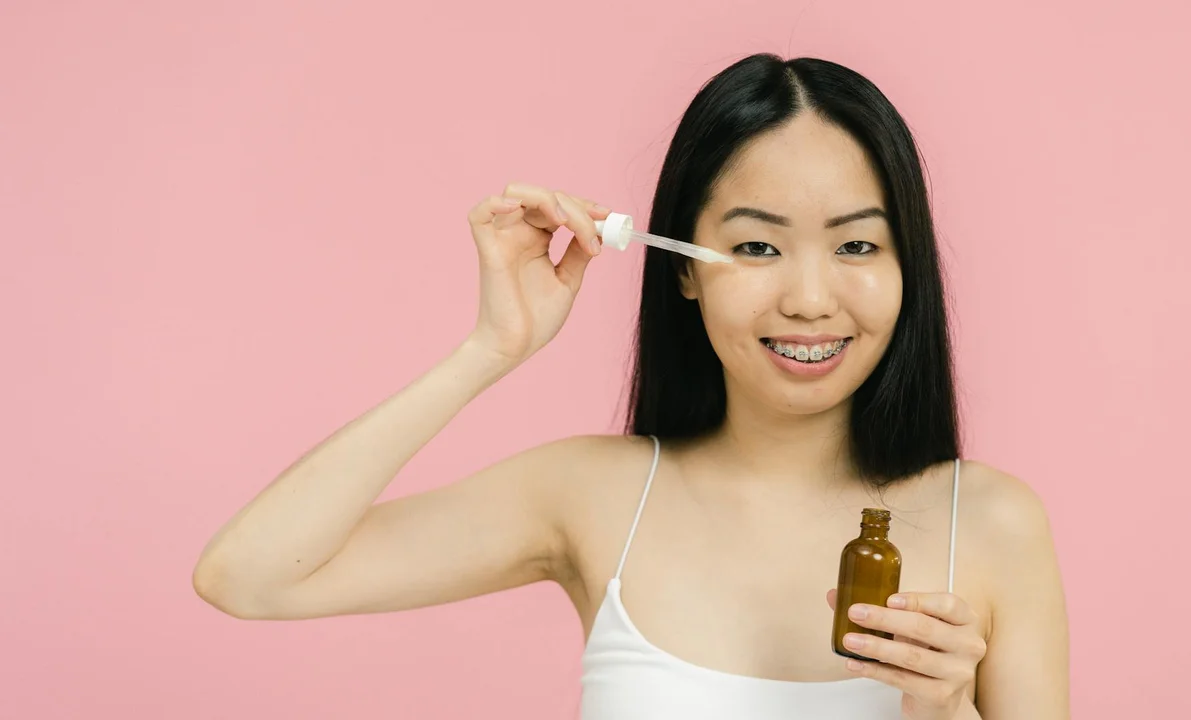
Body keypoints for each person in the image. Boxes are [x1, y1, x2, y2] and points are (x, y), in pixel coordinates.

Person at [192, 53, 1070, 719]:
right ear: (683, 270)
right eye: (757, 246)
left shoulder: (990, 524)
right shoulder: (593, 495)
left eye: (856, 246)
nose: (809, 299)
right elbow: (252, 576)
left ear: (907, 264)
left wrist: (945, 708)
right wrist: (491, 349)